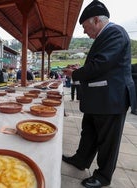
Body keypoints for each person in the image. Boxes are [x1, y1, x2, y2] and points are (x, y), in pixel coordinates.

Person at [62, 1, 136, 188]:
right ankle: (81, 159)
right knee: (90, 132)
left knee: (107, 141)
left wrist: (75, 74)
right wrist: (81, 69)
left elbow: (101, 64)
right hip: (98, 97)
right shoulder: (105, 36)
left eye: (86, 27)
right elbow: (101, 66)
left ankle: (103, 176)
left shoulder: (115, 33)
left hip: (111, 97)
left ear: (96, 20)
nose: (86, 33)